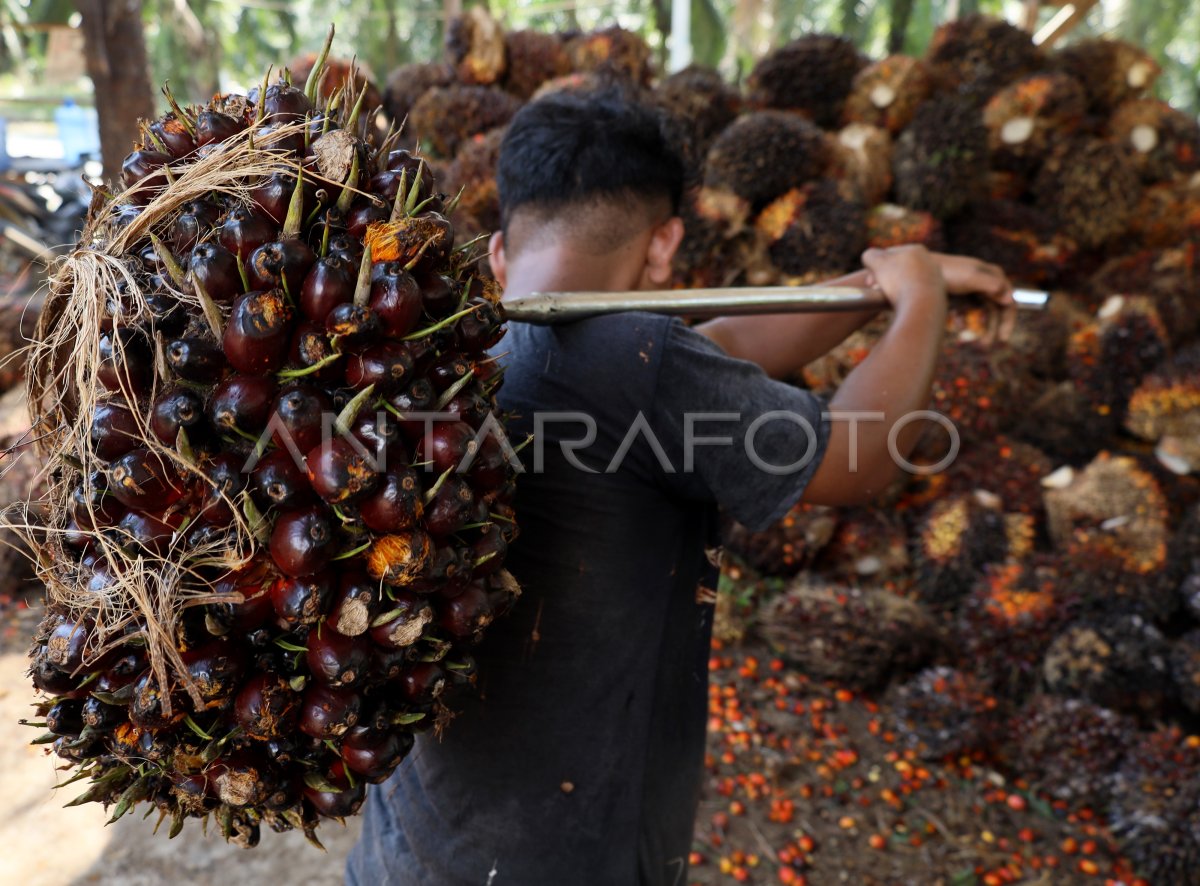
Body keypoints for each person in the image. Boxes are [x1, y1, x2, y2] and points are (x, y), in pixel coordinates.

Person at [347, 86, 1014, 886]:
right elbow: (860, 459)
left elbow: (718, 345)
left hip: (414, 848)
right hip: (563, 859)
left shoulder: (458, 352)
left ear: (498, 251)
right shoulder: (636, 363)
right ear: (664, 246)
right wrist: (921, 307)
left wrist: (873, 290)